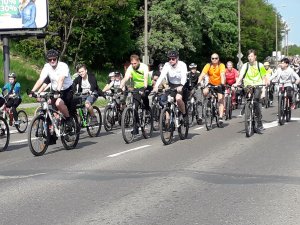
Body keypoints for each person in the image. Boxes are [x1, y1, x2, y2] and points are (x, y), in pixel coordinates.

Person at [29, 49, 74, 128]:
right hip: (54, 89)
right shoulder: (47, 66)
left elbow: (61, 80)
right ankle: (53, 128)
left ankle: (68, 119)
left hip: (66, 89)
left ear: (57, 58)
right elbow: (41, 79)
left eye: (54, 59)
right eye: (50, 59)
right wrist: (33, 91)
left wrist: (58, 91)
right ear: (48, 60)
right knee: (49, 104)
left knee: (58, 103)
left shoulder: (63, 66)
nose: (52, 61)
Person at [234, 49, 267, 134]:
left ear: (255, 56)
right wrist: (236, 83)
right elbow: (241, 76)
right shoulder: (245, 65)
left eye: (251, 56)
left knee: (256, 101)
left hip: (258, 85)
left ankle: (259, 122)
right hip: (248, 85)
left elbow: (264, 78)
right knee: (248, 99)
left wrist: (263, 91)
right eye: (248, 56)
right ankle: (248, 110)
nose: (250, 58)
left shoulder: (261, 65)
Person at [153, 50, 188, 124]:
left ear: (177, 58)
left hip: (181, 84)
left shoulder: (182, 65)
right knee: (168, 100)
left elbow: (184, 77)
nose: (171, 60)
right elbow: (161, 76)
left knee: (178, 99)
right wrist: (156, 86)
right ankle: (168, 120)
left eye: (173, 59)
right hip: (172, 85)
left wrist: (181, 86)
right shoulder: (167, 65)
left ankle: (184, 114)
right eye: (169, 59)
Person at [120, 54, 152, 134]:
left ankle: (147, 110)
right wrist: (120, 88)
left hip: (146, 85)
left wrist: (144, 87)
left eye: (135, 63)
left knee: (144, 96)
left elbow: (145, 77)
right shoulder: (130, 68)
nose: (133, 65)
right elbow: (125, 78)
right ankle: (136, 126)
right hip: (136, 87)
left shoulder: (144, 67)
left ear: (138, 61)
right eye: (132, 63)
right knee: (135, 107)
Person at [198, 53, 226, 125]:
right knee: (205, 91)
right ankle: (208, 103)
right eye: (212, 58)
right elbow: (202, 74)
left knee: (220, 99)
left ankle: (220, 117)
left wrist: (222, 84)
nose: (214, 60)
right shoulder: (208, 65)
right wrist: (199, 82)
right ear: (211, 59)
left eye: (216, 58)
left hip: (220, 84)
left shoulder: (221, 65)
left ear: (218, 59)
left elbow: (222, 74)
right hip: (211, 83)